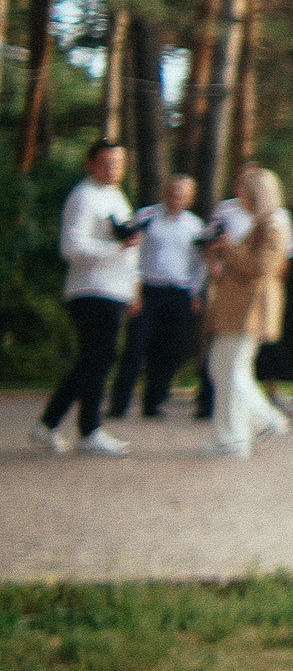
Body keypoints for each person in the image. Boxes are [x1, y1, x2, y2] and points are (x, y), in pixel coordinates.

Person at [33, 140, 141, 455]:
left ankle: (49, 424)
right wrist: (114, 249)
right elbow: (71, 247)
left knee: (94, 360)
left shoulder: (116, 196)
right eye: (106, 162)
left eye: (118, 162)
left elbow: (131, 246)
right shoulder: (83, 197)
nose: (113, 168)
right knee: (98, 359)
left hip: (114, 289)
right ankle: (89, 429)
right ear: (90, 164)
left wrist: (133, 286)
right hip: (91, 289)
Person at [203, 166, 293, 457]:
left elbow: (261, 267)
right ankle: (232, 437)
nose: (239, 196)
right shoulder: (261, 224)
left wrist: (228, 248)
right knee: (223, 368)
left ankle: (264, 420)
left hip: (250, 310)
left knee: (231, 370)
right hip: (238, 308)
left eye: (243, 191)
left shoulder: (272, 225)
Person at [108, 172, 207, 420]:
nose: (176, 197)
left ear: (190, 198)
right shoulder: (146, 217)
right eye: (173, 191)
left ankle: (154, 403)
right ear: (165, 192)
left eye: (182, 194)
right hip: (148, 290)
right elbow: (133, 255)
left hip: (179, 293)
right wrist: (134, 290)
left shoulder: (195, 226)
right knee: (134, 348)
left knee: (168, 351)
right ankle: (119, 404)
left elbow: (200, 264)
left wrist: (195, 292)